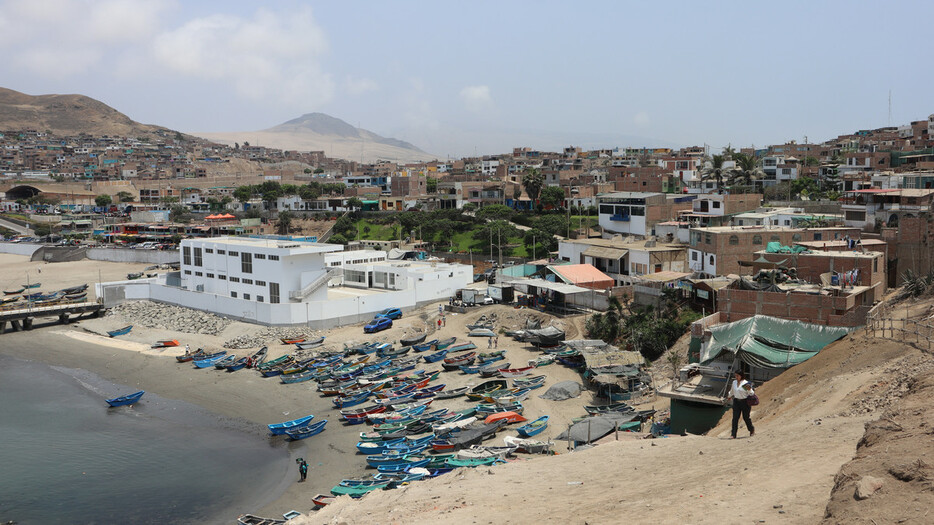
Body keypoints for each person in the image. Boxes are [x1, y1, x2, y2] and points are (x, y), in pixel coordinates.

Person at [727, 370, 755, 438]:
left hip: (745, 402)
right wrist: (729, 396)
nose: (736, 377)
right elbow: (732, 391)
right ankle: (733, 434)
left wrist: (748, 389)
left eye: (737, 376)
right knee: (735, 418)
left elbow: (752, 393)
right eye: (735, 375)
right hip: (736, 402)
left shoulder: (745, 383)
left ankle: (751, 429)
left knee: (746, 417)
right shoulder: (734, 382)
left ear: (741, 376)